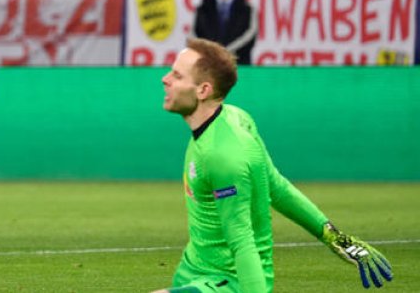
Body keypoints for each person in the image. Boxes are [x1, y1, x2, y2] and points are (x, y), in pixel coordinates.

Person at [153, 38, 393, 293]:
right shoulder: (235, 117)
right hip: (193, 270)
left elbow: (242, 241)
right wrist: (334, 237)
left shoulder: (222, 155)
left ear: (203, 90)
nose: (165, 79)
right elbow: (275, 186)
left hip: (229, 281)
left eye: (177, 75)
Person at [191, 0, 257, 64]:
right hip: (210, 62)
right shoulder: (204, 6)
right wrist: (212, 51)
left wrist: (228, 51)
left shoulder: (246, 7)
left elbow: (250, 34)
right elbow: (196, 32)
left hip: (238, 61)